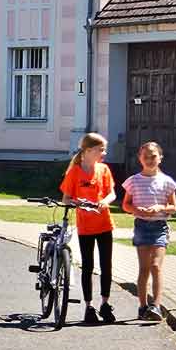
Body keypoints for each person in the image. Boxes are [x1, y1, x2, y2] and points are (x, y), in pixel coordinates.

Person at [60, 132, 117, 325]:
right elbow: (66, 199)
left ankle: (105, 304)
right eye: (101, 150)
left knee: (106, 265)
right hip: (85, 226)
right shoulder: (75, 172)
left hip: (104, 224)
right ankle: (89, 306)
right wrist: (78, 202)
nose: (104, 153)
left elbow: (112, 194)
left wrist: (104, 201)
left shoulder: (104, 169)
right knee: (88, 266)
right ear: (88, 150)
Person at [121, 141, 176, 322]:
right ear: (140, 159)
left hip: (159, 226)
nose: (149, 159)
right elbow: (126, 204)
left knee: (156, 266)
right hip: (141, 226)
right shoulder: (134, 181)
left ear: (160, 158)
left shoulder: (167, 181)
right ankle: (142, 306)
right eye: (145, 156)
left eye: (153, 156)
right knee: (144, 268)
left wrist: (160, 207)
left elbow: (174, 207)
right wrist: (136, 210)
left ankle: (156, 306)